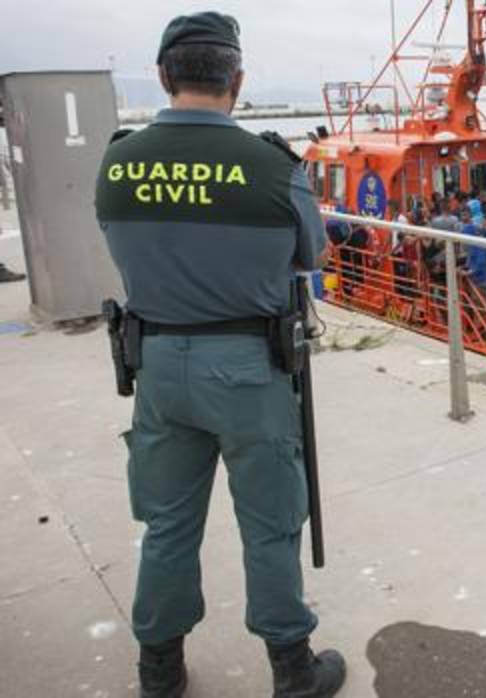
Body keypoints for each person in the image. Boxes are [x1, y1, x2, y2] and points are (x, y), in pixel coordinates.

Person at [93, 12, 344, 698]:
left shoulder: (118, 160)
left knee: (167, 525)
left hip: (157, 367)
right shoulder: (273, 165)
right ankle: (293, 671)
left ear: (164, 75)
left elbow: (118, 241)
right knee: (269, 525)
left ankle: (160, 673)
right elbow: (312, 256)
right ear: (237, 79)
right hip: (248, 371)